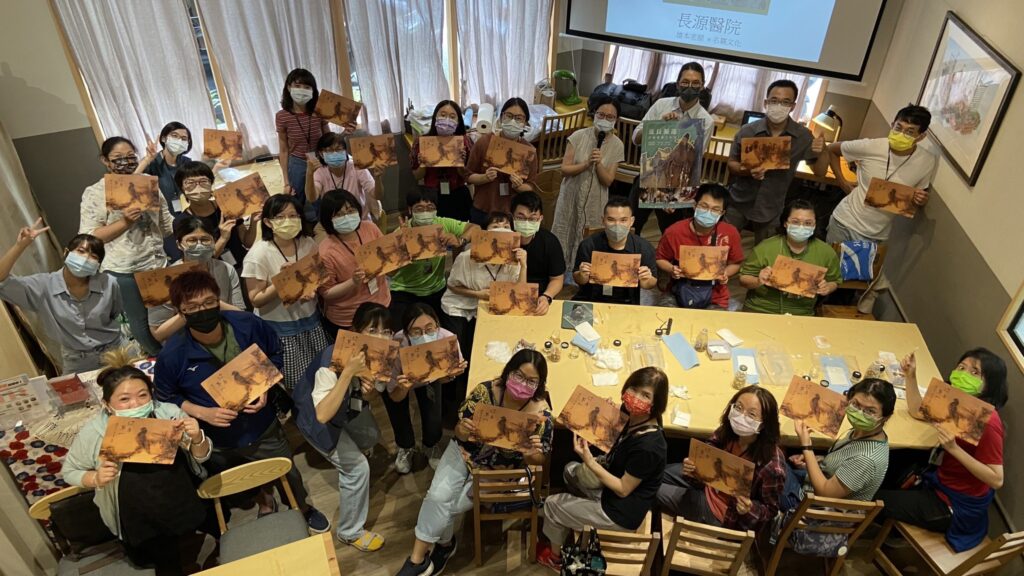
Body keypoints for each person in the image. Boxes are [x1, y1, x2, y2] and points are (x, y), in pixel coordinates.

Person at [154, 269, 329, 533]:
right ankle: (265, 502)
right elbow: (166, 396)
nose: (203, 311)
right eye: (192, 307)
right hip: (218, 438)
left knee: (287, 471)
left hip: (262, 425)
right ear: (180, 311)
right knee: (242, 479)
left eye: (209, 302)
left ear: (219, 300)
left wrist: (265, 386)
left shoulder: (247, 324)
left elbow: (275, 352)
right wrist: (201, 412)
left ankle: (302, 508)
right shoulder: (172, 354)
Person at [396, 350, 553, 576]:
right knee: (437, 498)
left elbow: (540, 458)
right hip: (464, 451)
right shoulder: (485, 391)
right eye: (518, 375)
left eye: (531, 381)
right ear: (508, 371)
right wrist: (462, 429)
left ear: (539, 385)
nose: (522, 384)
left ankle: (445, 546)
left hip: (498, 469)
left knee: (448, 507)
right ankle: (417, 559)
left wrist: (529, 453)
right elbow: (460, 432)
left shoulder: (541, 416)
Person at [65, 349, 216, 574]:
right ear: (107, 404)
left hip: (177, 492)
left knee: (190, 535)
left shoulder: (167, 414)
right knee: (161, 557)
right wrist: (95, 478)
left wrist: (197, 438)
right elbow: (69, 471)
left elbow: (201, 456)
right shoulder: (95, 432)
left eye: (143, 395)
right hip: (135, 508)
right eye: (124, 399)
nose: (135, 404)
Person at [536, 368, 669, 571]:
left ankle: (556, 559)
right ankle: (575, 514)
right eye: (633, 389)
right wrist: (606, 416)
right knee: (570, 470)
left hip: (620, 512)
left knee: (552, 505)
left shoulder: (650, 447)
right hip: (610, 491)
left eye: (645, 395)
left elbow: (623, 489)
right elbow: (614, 441)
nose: (635, 397)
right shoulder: (632, 417)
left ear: (656, 404)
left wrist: (590, 461)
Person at [875, 349, 1006, 551]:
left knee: (872, 498)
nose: (963, 374)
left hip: (953, 504)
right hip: (938, 480)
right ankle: (892, 530)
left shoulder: (988, 421)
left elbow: (996, 479)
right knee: (885, 467)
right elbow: (916, 410)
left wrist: (954, 449)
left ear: (990, 384)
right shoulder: (955, 398)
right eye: (961, 367)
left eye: (974, 372)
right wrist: (911, 376)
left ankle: (890, 533)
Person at [294, 303, 391, 552]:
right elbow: (322, 414)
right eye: (372, 330)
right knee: (358, 469)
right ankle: (350, 532)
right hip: (317, 418)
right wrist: (348, 373)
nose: (380, 337)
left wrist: (369, 394)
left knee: (371, 437)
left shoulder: (380, 357)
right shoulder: (332, 360)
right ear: (355, 331)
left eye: (386, 331)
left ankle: (350, 448)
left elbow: (373, 396)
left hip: (347, 409)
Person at [826, 105, 938, 313]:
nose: (901, 134)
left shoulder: (926, 161)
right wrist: (843, 183)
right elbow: (832, 149)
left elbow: (917, 194)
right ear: (892, 124)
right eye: (898, 127)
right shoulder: (872, 146)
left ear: (921, 136)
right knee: (830, 276)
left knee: (850, 282)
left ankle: (838, 317)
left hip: (877, 232)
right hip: (846, 220)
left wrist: (920, 199)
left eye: (910, 132)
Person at [80, 136, 173, 356]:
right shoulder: (95, 192)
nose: (126, 162)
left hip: (156, 262)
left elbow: (166, 224)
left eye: (131, 157)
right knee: (139, 321)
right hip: (125, 269)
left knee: (166, 316)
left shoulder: (147, 183)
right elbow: (91, 236)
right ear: (105, 160)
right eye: (118, 158)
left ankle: (176, 356)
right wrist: (124, 222)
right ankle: (159, 358)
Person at [0, 220, 123, 373]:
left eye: (93, 256)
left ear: (98, 264)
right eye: (81, 251)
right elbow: (2, 281)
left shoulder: (109, 283)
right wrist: (21, 245)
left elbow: (115, 313)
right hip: (77, 360)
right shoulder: (44, 286)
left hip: (115, 351)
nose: (85, 258)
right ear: (66, 252)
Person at [657, 386, 787, 532]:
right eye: (738, 408)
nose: (741, 417)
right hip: (706, 483)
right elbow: (711, 446)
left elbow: (770, 510)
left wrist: (749, 508)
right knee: (655, 473)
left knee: (652, 488)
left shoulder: (772, 467)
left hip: (721, 510)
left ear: (764, 424)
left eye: (751, 414)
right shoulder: (730, 431)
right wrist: (695, 464)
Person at [242, 195, 328, 391]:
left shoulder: (307, 243)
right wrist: (282, 282)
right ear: (268, 222)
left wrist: (311, 289)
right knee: (295, 383)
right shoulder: (258, 254)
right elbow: (256, 299)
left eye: (293, 215)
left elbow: (317, 277)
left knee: (320, 373)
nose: (288, 221)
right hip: (280, 328)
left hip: (310, 320)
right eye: (280, 217)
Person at [441, 211, 526, 409]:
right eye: (495, 227)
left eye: (506, 227)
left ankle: (479, 390)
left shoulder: (514, 260)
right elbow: (452, 285)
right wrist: (477, 294)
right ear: (485, 234)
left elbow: (520, 291)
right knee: (458, 354)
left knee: (483, 351)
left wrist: (524, 264)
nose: (501, 231)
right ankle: (451, 399)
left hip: (489, 308)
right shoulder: (466, 257)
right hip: (459, 306)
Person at [725, 80, 827, 243]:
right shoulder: (748, 131)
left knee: (767, 251)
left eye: (785, 102)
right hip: (739, 200)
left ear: (793, 106)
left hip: (772, 206)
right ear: (766, 103)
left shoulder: (802, 136)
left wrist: (823, 150)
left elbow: (820, 172)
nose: (779, 105)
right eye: (774, 100)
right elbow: (732, 163)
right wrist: (748, 170)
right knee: (723, 243)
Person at [631, 62, 716, 234]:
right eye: (685, 82)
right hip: (648, 177)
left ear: (702, 86)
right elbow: (635, 139)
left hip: (676, 184)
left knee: (672, 233)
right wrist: (658, 125)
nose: (689, 87)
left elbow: (694, 160)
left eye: (695, 83)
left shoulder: (705, 121)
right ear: (677, 84)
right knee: (632, 226)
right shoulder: (661, 105)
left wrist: (672, 197)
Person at [387, 303, 467, 474]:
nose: (424, 336)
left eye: (429, 329)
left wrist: (451, 375)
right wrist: (403, 388)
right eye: (416, 332)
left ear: (437, 325)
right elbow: (394, 395)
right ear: (406, 332)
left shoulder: (447, 339)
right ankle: (405, 446)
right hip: (402, 381)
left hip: (431, 380)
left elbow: (444, 379)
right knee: (398, 413)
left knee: (433, 413)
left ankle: (431, 445)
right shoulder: (397, 344)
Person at [787, 378, 895, 503]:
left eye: (870, 411)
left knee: (772, 464)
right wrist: (815, 459)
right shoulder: (863, 432)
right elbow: (845, 460)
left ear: (886, 417)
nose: (859, 413)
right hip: (816, 481)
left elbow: (824, 494)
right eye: (855, 404)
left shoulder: (866, 459)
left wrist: (807, 447)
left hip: (812, 506)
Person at [389, 189, 478, 332]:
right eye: (419, 208)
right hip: (405, 291)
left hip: (436, 289)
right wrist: (402, 252)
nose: (425, 212)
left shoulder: (442, 224)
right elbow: (390, 274)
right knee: (402, 334)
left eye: (430, 208)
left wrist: (460, 240)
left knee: (449, 332)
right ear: (410, 210)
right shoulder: (401, 233)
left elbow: (475, 228)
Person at [552, 96, 625, 269]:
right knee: (565, 233)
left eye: (610, 117)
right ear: (594, 114)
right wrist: (586, 164)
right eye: (601, 114)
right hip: (571, 195)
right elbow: (565, 169)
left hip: (595, 201)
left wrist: (598, 164)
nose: (605, 119)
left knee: (589, 240)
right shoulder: (577, 136)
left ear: (616, 120)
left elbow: (608, 180)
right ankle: (560, 271)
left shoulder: (617, 145)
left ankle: (583, 272)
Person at [148, 217, 245, 343]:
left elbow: (241, 314)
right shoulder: (162, 280)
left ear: (213, 241)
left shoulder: (226, 269)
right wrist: (191, 309)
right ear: (179, 244)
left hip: (225, 335)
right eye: (192, 240)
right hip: (186, 342)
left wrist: (212, 303)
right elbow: (159, 334)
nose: (199, 245)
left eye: (205, 240)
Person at [738, 199, 840, 316]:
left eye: (808, 223)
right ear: (785, 223)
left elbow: (835, 280)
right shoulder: (766, 247)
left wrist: (827, 287)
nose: (801, 227)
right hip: (761, 309)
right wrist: (758, 280)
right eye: (795, 222)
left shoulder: (826, 252)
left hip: (801, 313)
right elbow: (743, 278)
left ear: (815, 225)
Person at [317, 189, 391, 340]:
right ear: (328, 219)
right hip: (349, 317)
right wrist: (353, 282)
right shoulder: (325, 251)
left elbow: (387, 259)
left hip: (381, 304)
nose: (346, 217)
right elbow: (326, 293)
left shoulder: (370, 228)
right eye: (339, 214)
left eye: (350, 211)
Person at [656, 183, 744, 310]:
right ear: (695, 205)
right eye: (704, 206)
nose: (708, 212)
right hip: (678, 291)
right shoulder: (674, 231)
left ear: (722, 213)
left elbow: (735, 263)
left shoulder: (730, 233)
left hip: (715, 295)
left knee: (714, 321)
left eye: (715, 209)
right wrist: (671, 269)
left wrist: (725, 273)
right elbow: (660, 258)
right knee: (662, 316)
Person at [466, 97, 540, 225]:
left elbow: (531, 187)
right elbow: (468, 176)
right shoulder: (484, 142)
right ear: (501, 118)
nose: (513, 121)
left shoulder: (529, 152)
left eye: (519, 118)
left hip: (512, 214)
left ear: (525, 123)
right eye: (508, 116)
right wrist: (484, 178)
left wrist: (519, 186)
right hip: (483, 209)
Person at [573, 198, 657, 305]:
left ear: (631, 221)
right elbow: (578, 278)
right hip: (591, 300)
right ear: (603, 220)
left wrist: (646, 280)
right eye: (611, 220)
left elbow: (651, 283)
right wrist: (582, 275)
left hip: (627, 302)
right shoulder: (588, 245)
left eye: (623, 220)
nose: (617, 225)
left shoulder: (643, 247)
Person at [174, 160, 256, 267]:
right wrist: (223, 238)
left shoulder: (227, 206)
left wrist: (254, 221)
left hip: (241, 264)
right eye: (190, 183)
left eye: (203, 181)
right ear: (181, 187)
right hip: (212, 271)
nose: (198, 187)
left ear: (211, 183)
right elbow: (199, 261)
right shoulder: (182, 221)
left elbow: (248, 242)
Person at [276, 68, 332, 217]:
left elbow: (329, 139)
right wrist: (286, 182)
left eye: (307, 87)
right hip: (297, 163)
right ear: (289, 87)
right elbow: (283, 150)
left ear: (313, 91)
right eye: (297, 86)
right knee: (296, 201)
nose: (302, 90)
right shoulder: (282, 116)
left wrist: (346, 132)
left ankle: (323, 226)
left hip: (319, 161)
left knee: (321, 199)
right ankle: (300, 228)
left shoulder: (319, 111)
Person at [411, 100, 473, 221]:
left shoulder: (464, 142)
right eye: (443, 115)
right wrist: (423, 164)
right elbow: (417, 176)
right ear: (435, 117)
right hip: (432, 196)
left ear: (458, 121)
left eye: (452, 117)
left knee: (459, 228)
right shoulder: (423, 142)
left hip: (458, 194)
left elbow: (468, 178)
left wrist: (460, 162)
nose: (447, 120)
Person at [306, 132, 379, 223]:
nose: (335, 153)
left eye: (339, 149)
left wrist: (378, 178)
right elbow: (312, 198)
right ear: (321, 154)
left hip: (361, 220)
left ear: (345, 151)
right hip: (334, 223)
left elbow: (376, 194)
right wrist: (309, 174)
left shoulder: (356, 166)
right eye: (330, 150)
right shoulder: (320, 171)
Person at [511, 192, 565, 315]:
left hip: (539, 298)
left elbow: (557, 279)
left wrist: (547, 296)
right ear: (512, 217)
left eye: (532, 219)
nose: (526, 223)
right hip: (507, 294)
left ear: (540, 218)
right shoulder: (504, 237)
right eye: (520, 218)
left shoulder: (550, 241)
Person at [139, 121, 193, 217]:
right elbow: (131, 182)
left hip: (187, 215)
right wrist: (147, 160)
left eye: (184, 138)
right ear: (163, 138)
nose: (179, 140)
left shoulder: (187, 162)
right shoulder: (151, 163)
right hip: (163, 218)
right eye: (175, 136)